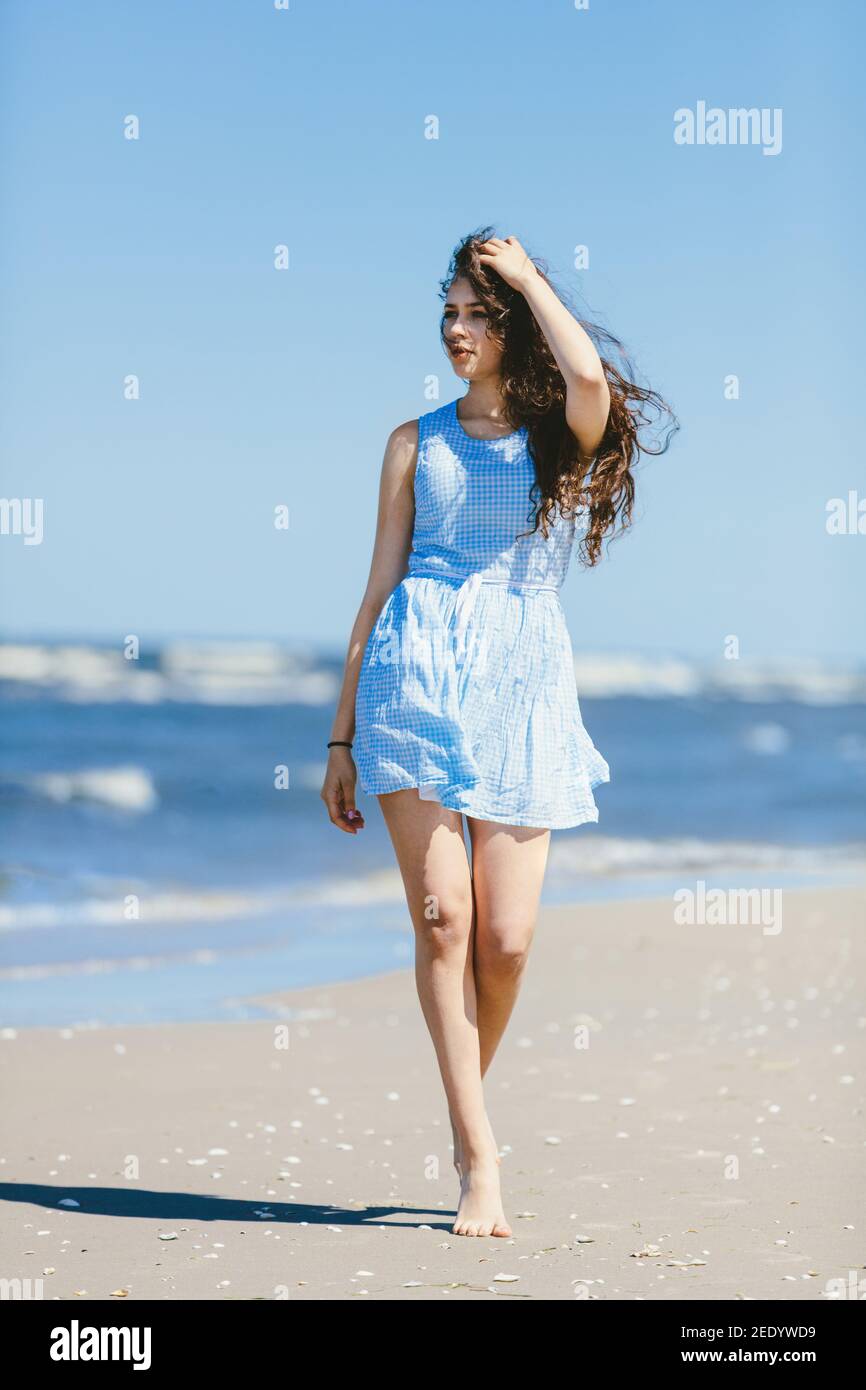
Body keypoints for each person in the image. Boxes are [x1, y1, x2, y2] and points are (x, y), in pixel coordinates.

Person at [321, 228, 676, 1238]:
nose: (455, 330)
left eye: (475, 315)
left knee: (506, 940)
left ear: (511, 324)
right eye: (449, 313)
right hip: (412, 674)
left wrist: (523, 273)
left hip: (521, 687)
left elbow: (586, 375)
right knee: (444, 921)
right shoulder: (412, 441)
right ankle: (478, 1154)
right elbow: (377, 587)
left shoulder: (559, 434)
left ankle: (458, 1096)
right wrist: (339, 738)